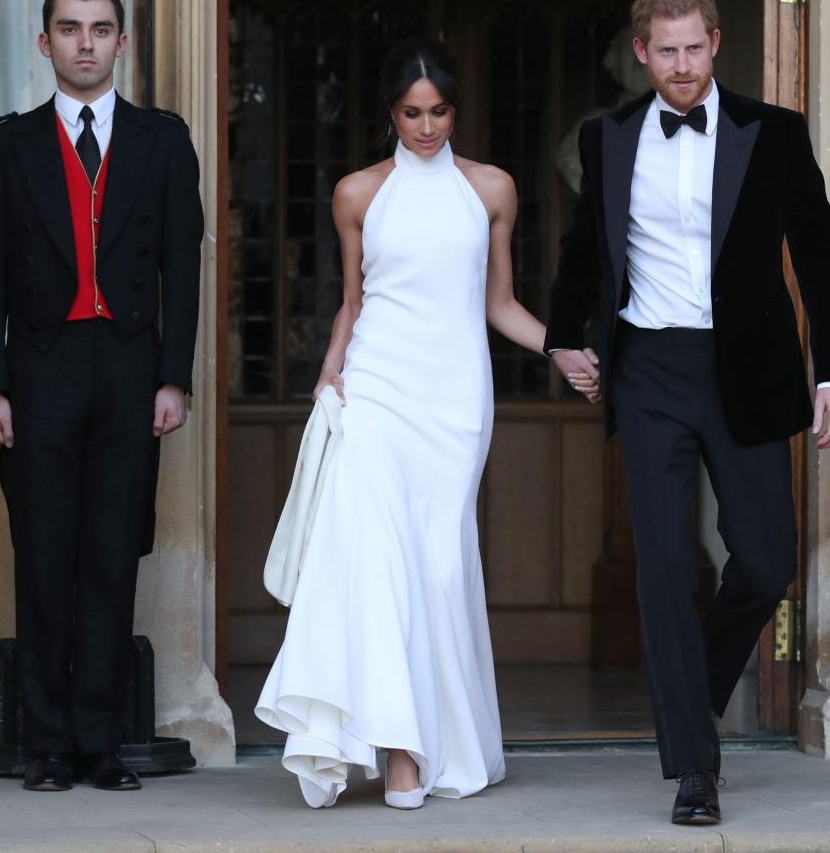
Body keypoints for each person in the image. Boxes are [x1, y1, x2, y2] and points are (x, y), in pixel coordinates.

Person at [544, 0, 830, 825]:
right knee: (665, 569)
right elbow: (583, 249)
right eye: (664, 51)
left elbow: (820, 256)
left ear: (716, 43)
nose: (681, 66)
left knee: (764, 562)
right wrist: (564, 335)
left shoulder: (775, 133)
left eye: (694, 48)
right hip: (648, 369)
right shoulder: (606, 138)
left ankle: (692, 696)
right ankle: (695, 764)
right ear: (641, 53)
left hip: (747, 368)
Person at [255, 40, 598, 810]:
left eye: (439, 111)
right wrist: (329, 373)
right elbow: (353, 300)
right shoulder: (357, 194)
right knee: (377, 558)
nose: (426, 126)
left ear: (455, 109)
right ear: (390, 112)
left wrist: (562, 348)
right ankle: (401, 751)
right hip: (376, 387)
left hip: (455, 400)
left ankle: (437, 738)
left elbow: (498, 303)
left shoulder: (491, 190)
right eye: (412, 112)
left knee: (439, 566)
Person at [0, 0, 204, 792]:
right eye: (70, 29)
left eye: (101, 29)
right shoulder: (5, 145)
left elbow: (184, 268)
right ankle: (47, 745)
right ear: (45, 43)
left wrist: (175, 376)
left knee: (110, 555)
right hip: (39, 369)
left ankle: (100, 743)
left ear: (122, 42)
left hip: (131, 369)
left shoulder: (164, 142)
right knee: (42, 555)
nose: (86, 43)